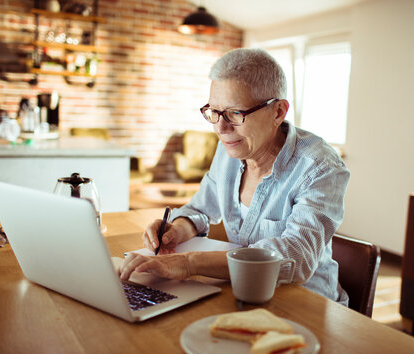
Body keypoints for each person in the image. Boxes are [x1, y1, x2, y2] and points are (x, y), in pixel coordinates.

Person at [120, 48, 350, 304]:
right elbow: (200, 209)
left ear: (278, 112)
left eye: (235, 113)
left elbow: (296, 259)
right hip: (242, 292)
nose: (220, 128)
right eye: (214, 112)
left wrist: (188, 263)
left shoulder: (320, 167)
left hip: (306, 303)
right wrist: (177, 229)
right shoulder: (230, 148)